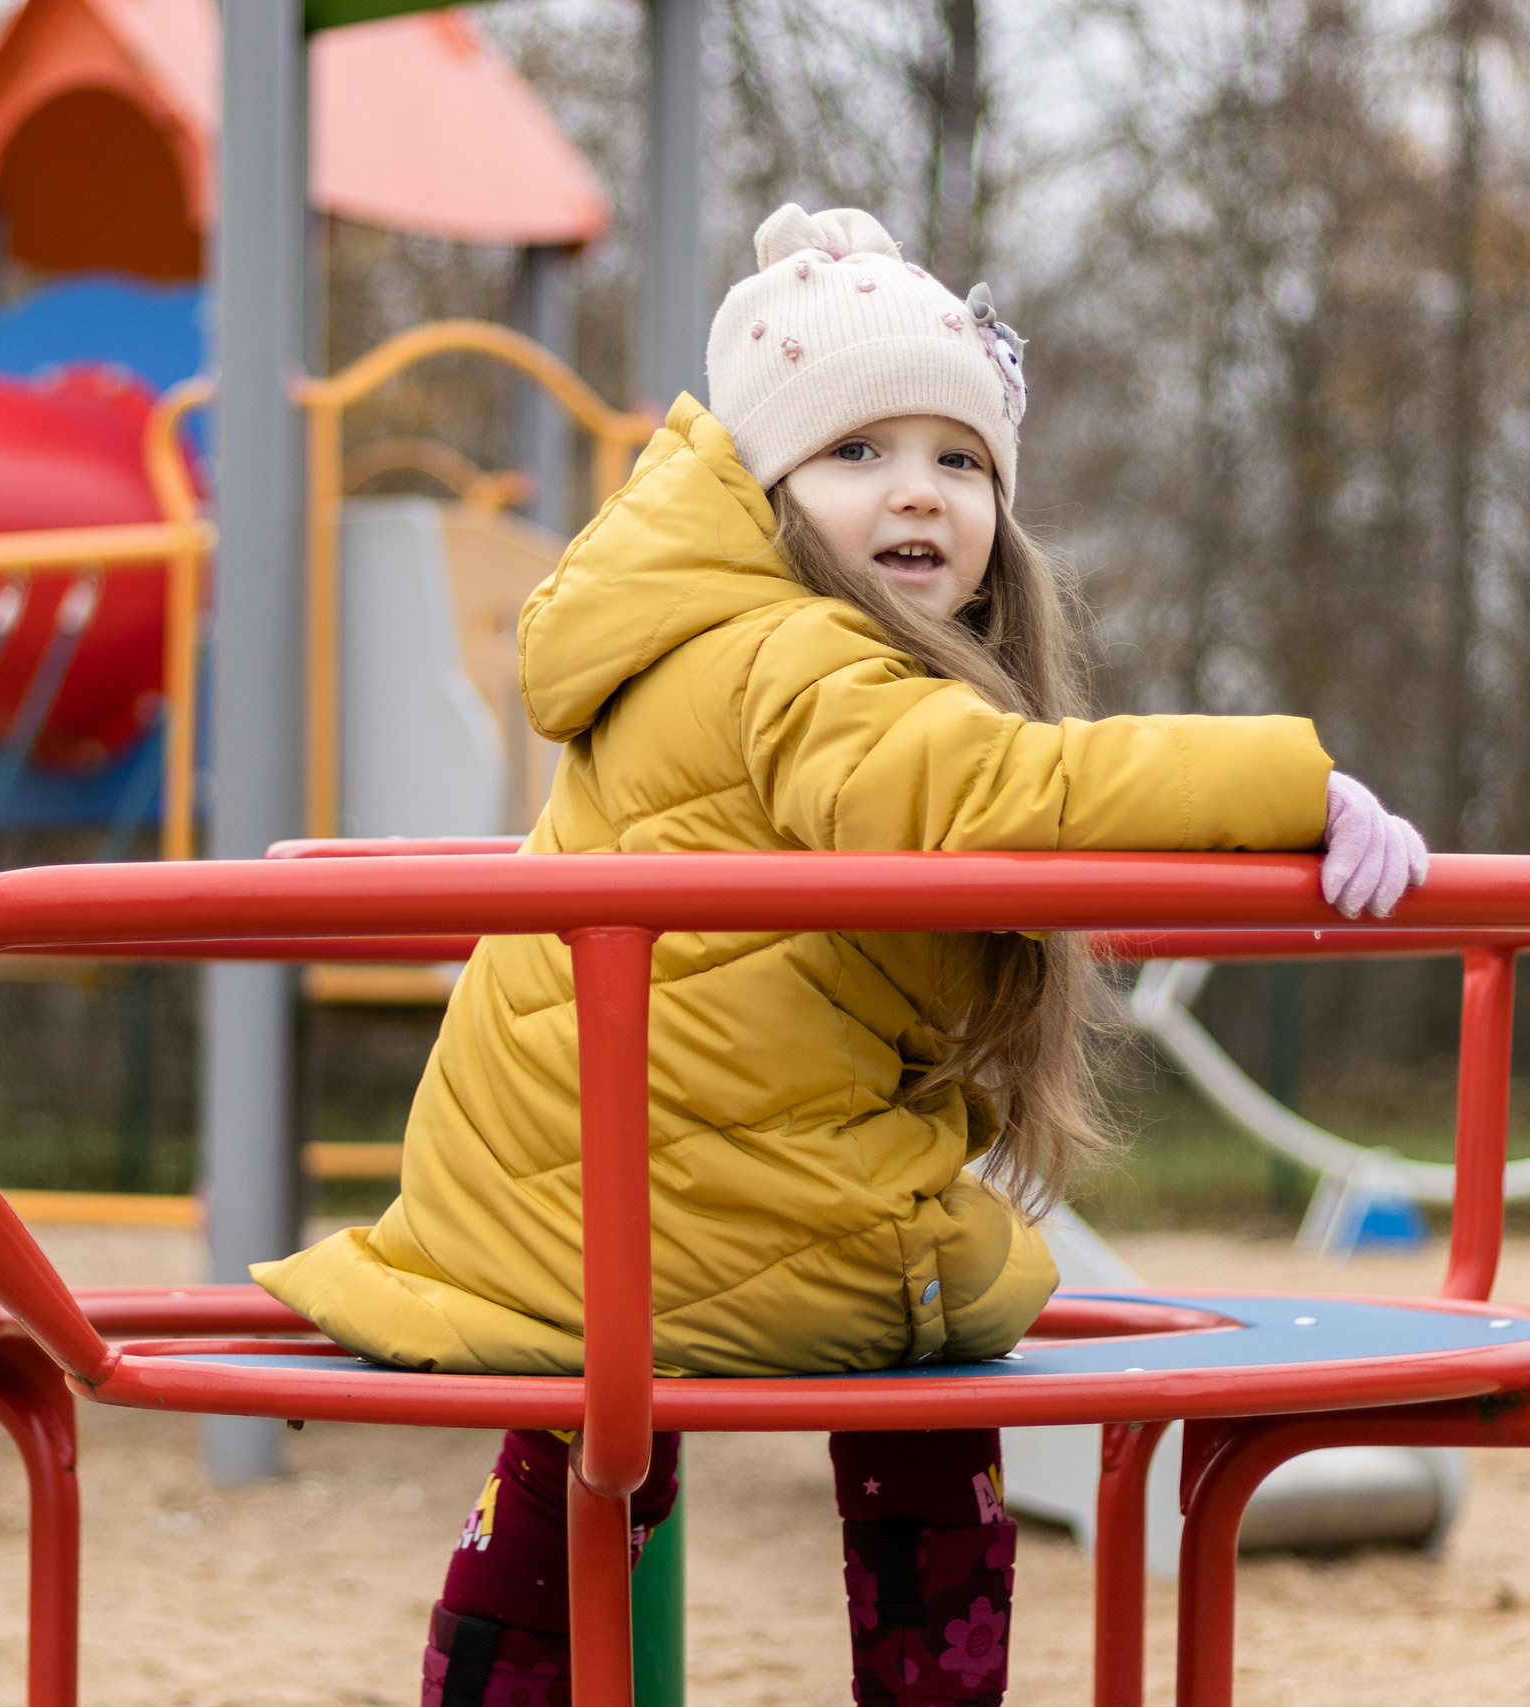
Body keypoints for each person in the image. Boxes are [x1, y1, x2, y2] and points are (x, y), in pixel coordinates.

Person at [256, 204, 1429, 1707]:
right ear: (766, 488)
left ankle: (498, 1679)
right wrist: (1291, 791)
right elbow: (974, 802)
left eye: (959, 459)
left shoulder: (706, 637)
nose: (917, 496)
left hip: (581, 1211)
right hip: (684, 1212)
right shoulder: (785, 657)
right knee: (944, 1323)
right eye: (857, 454)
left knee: (594, 1436)